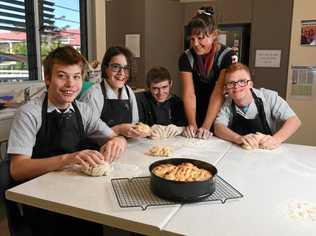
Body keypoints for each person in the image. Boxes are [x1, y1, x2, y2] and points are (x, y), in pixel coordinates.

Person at [7, 45, 127, 235]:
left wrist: (118, 141)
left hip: (78, 196)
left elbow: (114, 136)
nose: (70, 84)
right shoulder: (29, 113)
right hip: (42, 202)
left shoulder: (83, 110)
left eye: (76, 77)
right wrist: (68, 159)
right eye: (62, 76)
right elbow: (17, 169)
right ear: (48, 79)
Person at [179, 6, 237, 139]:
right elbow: (189, 93)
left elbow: (218, 92)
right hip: (195, 109)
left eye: (200, 38)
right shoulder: (186, 57)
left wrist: (206, 126)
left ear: (214, 35)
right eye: (192, 39)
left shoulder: (227, 55)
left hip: (220, 112)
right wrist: (192, 124)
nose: (196, 43)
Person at [214, 62, 301, 149]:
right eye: (231, 83)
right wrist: (238, 138)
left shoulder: (269, 97)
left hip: (266, 150)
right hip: (239, 150)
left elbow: (294, 120)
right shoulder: (227, 102)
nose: (236, 86)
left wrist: (276, 140)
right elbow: (218, 127)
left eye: (242, 81)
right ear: (226, 88)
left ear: (250, 84)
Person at [79, 46, 146, 138]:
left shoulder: (129, 92)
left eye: (126, 68)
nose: (121, 73)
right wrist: (118, 129)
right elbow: (86, 134)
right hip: (99, 149)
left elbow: (134, 124)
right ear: (106, 68)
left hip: (126, 147)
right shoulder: (93, 95)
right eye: (115, 67)